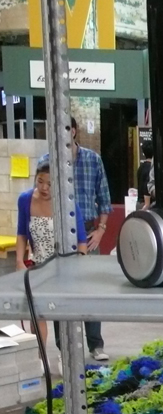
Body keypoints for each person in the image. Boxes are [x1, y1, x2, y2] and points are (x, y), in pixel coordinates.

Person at [39, 117, 111, 362]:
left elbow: (104, 198)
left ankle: (95, 344)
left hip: (88, 232)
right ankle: (64, 348)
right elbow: (39, 199)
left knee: (91, 290)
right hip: (58, 234)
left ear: (74, 131)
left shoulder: (93, 160)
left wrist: (101, 229)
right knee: (60, 292)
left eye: (65, 128)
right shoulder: (46, 162)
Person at [16, 162, 87, 368]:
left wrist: (80, 267)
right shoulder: (25, 200)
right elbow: (21, 233)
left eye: (49, 184)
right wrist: (19, 260)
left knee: (65, 316)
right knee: (37, 313)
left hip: (65, 267)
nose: (44, 188)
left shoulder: (68, 203)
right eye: (40, 182)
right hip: (38, 265)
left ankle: (68, 358)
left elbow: (81, 239)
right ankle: (41, 359)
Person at [136, 139, 154, 207]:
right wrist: (147, 204)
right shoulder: (151, 168)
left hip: (139, 202)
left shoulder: (141, 167)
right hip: (147, 204)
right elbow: (146, 186)